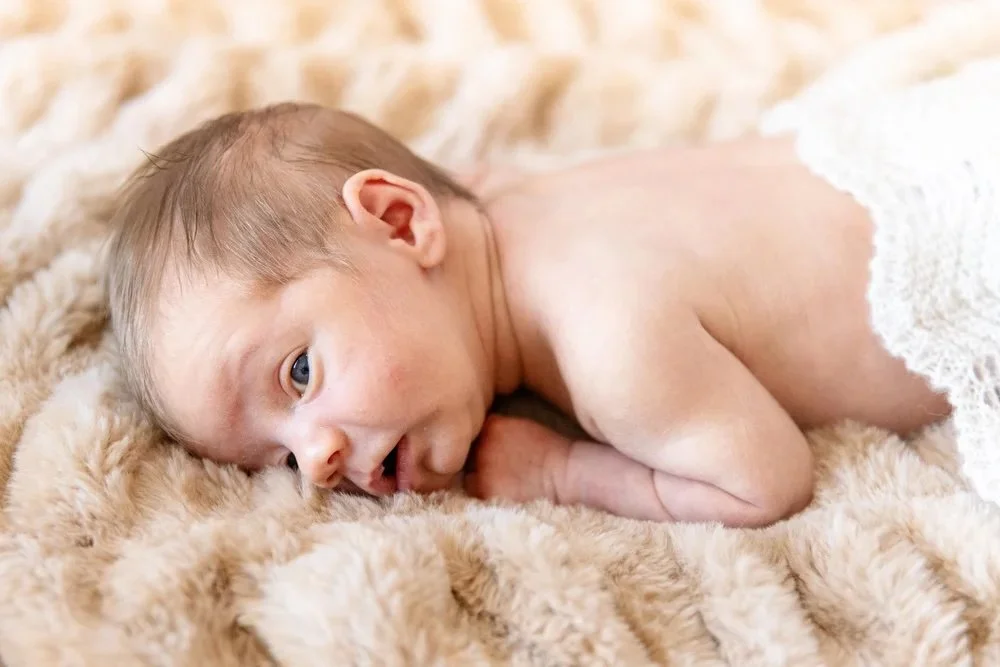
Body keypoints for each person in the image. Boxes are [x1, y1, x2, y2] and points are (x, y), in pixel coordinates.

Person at [103, 102, 950, 528]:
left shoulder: (611, 343)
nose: (318, 461)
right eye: (280, 459)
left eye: (298, 374)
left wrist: (565, 473)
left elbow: (764, 481)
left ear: (404, 221)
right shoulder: (510, 200)